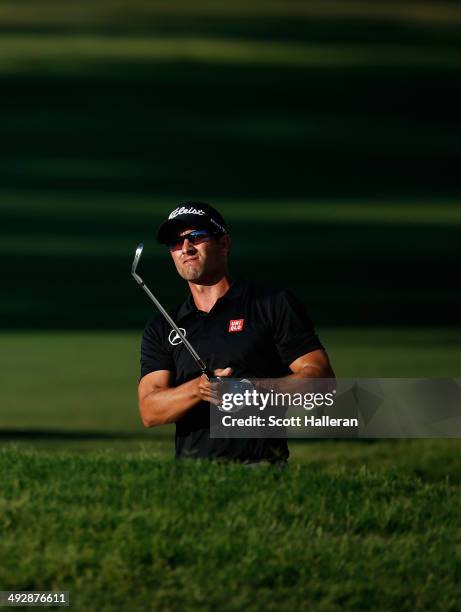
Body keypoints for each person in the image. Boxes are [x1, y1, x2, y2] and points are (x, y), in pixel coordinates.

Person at [138, 202, 335, 464]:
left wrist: (249, 389)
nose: (185, 248)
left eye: (196, 237)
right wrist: (199, 389)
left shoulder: (271, 304)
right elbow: (150, 411)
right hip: (191, 481)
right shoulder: (163, 325)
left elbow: (321, 379)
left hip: (262, 469)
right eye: (175, 242)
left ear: (224, 243)